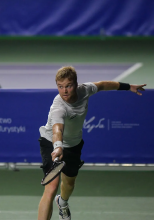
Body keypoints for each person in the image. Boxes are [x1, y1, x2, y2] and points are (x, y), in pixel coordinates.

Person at [38, 66, 146, 220]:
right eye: (60, 87)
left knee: (69, 184)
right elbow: (57, 130)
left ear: (76, 84)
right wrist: (58, 147)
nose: (64, 91)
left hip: (74, 144)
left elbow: (102, 85)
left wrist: (128, 87)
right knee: (51, 186)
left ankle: (62, 202)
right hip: (52, 142)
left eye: (68, 86)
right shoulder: (58, 107)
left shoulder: (85, 90)